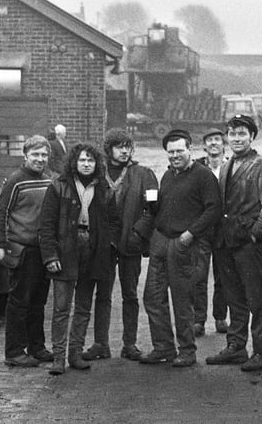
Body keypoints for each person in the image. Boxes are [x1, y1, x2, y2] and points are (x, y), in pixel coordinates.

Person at [140, 129, 221, 367]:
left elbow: (213, 209)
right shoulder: (168, 176)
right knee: (153, 298)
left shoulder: (203, 176)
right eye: (171, 151)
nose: (175, 155)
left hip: (183, 244)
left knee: (182, 300)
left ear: (190, 150)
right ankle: (163, 347)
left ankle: (186, 350)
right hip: (161, 242)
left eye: (180, 150)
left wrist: (190, 234)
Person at [38, 143, 119, 375]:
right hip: (65, 250)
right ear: (74, 162)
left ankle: (75, 353)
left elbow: (114, 221)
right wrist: (50, 255)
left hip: (93, 252)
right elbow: (46, 224)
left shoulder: (104, 188)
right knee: (62, 308)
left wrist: (108, 246)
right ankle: (58, 357)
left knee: (84, 307)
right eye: (82, 160)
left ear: (97, 164)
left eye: (90, 161)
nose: (86, 164)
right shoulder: (59, 186)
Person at [206, 115, 262, 372]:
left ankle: (261, 352)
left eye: (242, 134)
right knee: (233, 296)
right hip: (226, 241)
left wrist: (256, 235)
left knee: (256, 297)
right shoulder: (226, 166)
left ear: (252, 137)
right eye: (232, 134)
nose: (236, 139)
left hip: (248, 243)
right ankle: (236, 346)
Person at [87, 128, 159, 362]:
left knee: (130, 294)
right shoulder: (96, 174)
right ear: (109, 150)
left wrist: (139, 233)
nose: (125, 151)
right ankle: (101, 344)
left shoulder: (144, 174)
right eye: (119, 147)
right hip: (104, 244)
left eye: (128, 146)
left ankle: (130, 344)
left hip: (130, 242)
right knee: (103, 294)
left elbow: (152, 210)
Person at [0, 135, 55, 368]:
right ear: (25, 156)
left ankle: (37, 347)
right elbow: (0, 213)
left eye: (44, 155)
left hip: (42, 251)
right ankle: (15, 352)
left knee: (38, 303)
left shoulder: (49, 180)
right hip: (22, 251)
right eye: (35, 155)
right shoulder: (16, 181)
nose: (40, 159)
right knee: (19, 303)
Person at [194, 128, 230, 336]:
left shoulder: (231, 166)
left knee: (222, 275)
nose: (214, 143)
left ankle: (220, 317)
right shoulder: (198, 167)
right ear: (204, 145)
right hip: (203, 229)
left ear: (223, 144)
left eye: (217, 139)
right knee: (199, 274)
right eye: (210, 140)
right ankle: (199, 319)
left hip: (224, 230)